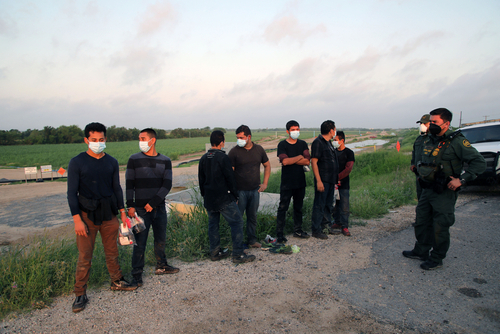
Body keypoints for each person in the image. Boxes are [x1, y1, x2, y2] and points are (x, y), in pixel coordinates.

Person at [403, 108, 486, 270]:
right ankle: (421, 250)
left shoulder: (456, 141)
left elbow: (479, 163)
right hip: (427, 189)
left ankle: (437, 257)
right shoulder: (429, 139)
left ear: (446, 124)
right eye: (430, 122)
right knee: (421, 220)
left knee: (440, 224)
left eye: (435, 122)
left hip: (444, 190)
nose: (431, 125)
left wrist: (461, 179)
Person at [67, 122, 137, 313]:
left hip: (109, 214)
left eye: (101, 139)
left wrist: (122, 212)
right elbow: (71, 193)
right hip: (86, 215)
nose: (98, 142)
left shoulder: (112, 162)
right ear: (86, 140)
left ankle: (117, 281)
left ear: (106, 139)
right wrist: (77, 220)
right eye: (94, 140)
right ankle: (80, 293)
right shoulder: (77, 162)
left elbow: (116, 188)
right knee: (84, 257)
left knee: (112, 251)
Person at [126, 128, 179, 288]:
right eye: (140, 139)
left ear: (152, 140)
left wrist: (153, 202)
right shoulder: (134, 159)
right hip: (140, 211)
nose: (140, 141)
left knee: (160, 239)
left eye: (143, 138)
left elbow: (167, 184)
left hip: (159, 208)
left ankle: (161, 265)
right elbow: (129, 184)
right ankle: (136, 275)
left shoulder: (165, 160)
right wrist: (130, 205)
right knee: (140, 243)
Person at [198, 130, 256, 264]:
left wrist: (204, 195)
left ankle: (215, 252)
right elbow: (230, 179)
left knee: (213, 225)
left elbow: (201, 180)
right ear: (222, 142)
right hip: (223, 198)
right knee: (237, 222)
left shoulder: (203, 158)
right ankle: (238, 255)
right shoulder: (223, 158)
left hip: (209, 199)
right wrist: (235, 195)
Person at [228, 125, 271, 248]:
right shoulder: (234, 152)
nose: (239, 140)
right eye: (237, 137)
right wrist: (233, 193)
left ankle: (252, 241)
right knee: (238, 219)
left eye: (241, 137)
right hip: (240, 192)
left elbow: (267, 166)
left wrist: (265, 183)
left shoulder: (259, 150)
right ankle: (238, 244)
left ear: (249, 137)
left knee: (252, 217)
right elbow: (230, 174)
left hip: (254, 190)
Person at [275, 120, 311, 243]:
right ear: (287, 131)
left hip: (300, 182)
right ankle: (280, 233)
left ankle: (298, 230)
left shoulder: (303, 144)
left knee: (298, 207)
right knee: (283, 208)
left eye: (297, 129)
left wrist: (293, 159)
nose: (295, 131)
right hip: (287, 182)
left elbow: (307, 161)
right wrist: (300, 157)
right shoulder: (282, 145)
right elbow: (284, 161)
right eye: (293, 129)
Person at [310, 120, 339, 240]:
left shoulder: (329, 143)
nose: (335, 131)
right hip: (323, 180)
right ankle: (316, 230)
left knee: (328, 205)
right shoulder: (318, 142)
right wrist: (319, 181)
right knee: (319, 205)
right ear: (331, 130)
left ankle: (326, 227)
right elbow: (314, 162)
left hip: (331, 180)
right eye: (334, 129)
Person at [330, 130, 355, 236]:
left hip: (343, 184)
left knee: (344, 206)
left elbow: (348, 169)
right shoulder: (333, 152)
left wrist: (337, 178)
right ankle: (337, 222)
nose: (334, 142)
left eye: (335, 140)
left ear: (342, 140)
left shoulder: (349, 153)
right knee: (334, 205)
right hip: (333, 184)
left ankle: (345, 226)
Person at [410, 114, 430, 200]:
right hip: (419, 174)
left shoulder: (434, 139)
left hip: (429, 174)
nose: (422, 125)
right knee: (421, 197)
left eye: (425, 124)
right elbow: (414, 152)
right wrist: (413, 164)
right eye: (421, 123)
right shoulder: (419, 139)